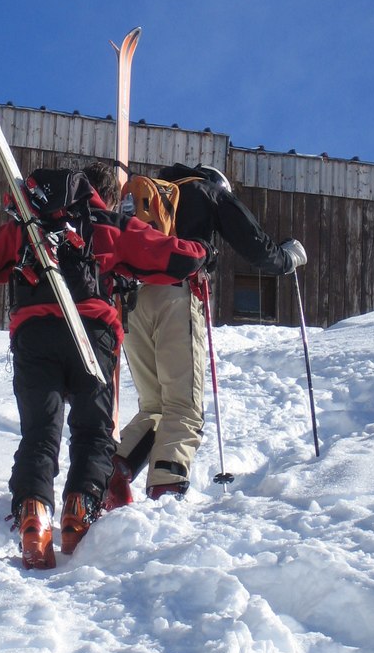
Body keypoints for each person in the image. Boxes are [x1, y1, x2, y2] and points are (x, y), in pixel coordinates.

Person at [0, 161, 211, 569]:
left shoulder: (25, 228)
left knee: (40, 431)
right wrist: (204, 250)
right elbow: (175, 258)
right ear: (96, 194)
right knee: (93, 431)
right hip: (90, 335)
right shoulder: (107, 226)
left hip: (33, 336)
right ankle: (80, 507)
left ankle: (34, 515)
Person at [106, 163, 307, 507]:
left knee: (155, 407)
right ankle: (165, 495)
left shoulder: (145, 197)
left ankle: (108, 476)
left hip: (132, 302)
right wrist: (287, 260)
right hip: (176, 297)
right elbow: (255, 244)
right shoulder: (207, 191)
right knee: (183, 408)